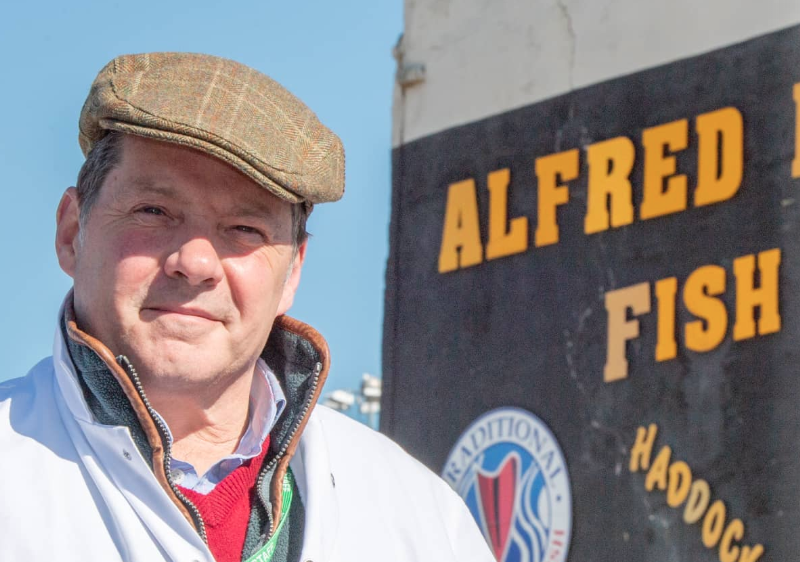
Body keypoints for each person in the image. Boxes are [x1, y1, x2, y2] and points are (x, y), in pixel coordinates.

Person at [0, 52, 495, 562]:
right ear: (70, 232)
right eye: (153, 211)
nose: (194, 262)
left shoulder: (420, 518)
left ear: (293, 273)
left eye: (244, 230)